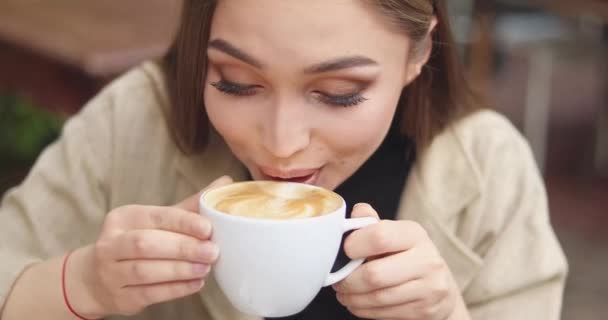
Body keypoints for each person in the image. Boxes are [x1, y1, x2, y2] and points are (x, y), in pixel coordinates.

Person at [0, 0, 568, 319]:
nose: (280, 143)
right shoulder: (137, 118)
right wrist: (84, 286)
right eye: (236, 82)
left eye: (339, 92)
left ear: (418, 54)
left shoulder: (489, 166)